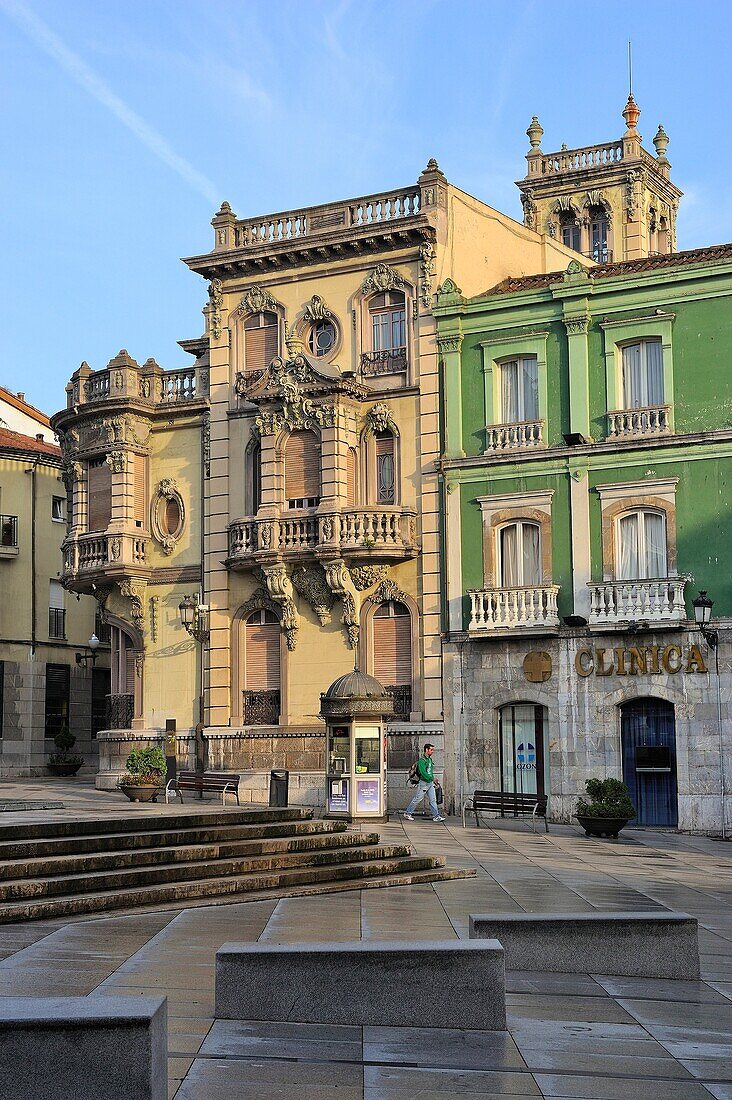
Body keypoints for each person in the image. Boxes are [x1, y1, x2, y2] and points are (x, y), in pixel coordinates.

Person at [403, 743, 445, 822]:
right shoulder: (421, 761)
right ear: (426, 750)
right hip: (424, 784)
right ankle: (408, 813)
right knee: (417, 799)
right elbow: (423, 773)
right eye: (431, 750)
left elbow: (429, 772)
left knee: (433, 800)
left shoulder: (429, 760)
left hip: (429, 783)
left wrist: (432, 780)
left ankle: (436, 816)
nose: (432, 751)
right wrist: (432, 779)